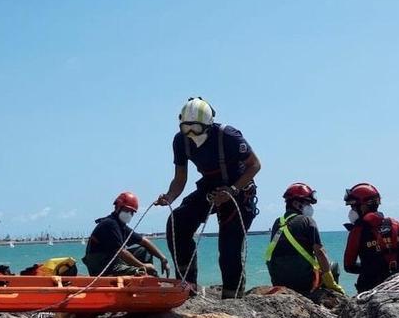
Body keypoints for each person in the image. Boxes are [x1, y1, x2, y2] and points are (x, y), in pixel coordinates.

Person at [155, 97, 261, 299]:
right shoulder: (181, 141)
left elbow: (255, 165)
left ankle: (233, 297)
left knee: (229, 248)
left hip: (238, 189)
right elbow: (180, 178)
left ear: (208, 124)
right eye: (187, 128)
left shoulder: (228, 136)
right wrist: (169, 197)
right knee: (177, 223)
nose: (191, 134)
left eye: (196, 128)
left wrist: (232, 190)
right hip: (210, 186)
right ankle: (187, 285)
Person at [264, 183, 345, 295]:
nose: (310, 207)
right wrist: (330, 280)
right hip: (304, 283)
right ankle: (332, 294)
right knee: (334, 266)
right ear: (296, 203)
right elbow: (320, 252)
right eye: (308, 203)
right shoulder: (307, 221)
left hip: (279, 281)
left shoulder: (277, 223)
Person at [343, 182, 399, 293]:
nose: (352, 210)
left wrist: (370, 268)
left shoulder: (357, 231)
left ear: (364, 206)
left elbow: (349, 266)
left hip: (371, 286)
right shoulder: (396, 225)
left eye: (354, 206)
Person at [82, 192, 170, 277]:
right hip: (101, 267)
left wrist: (163, 258)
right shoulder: (110, 224)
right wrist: (143, 266)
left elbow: (143, 241)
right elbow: (121, 252)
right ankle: (149, 285)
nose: (129, 214)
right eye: (127, 210)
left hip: (112, 261)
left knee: (144, 250)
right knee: (141, 271)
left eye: (132, 212)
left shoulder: (120, 225)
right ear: (118, 207)